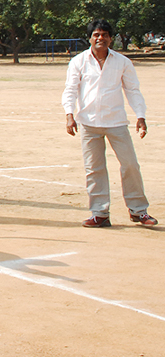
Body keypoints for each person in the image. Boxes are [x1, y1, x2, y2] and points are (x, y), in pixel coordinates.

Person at [62, 20, 157, 227]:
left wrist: (140, 116)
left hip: (116, 122)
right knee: (94, 168)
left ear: (110, 38)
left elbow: (132, 90)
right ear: (90, 38)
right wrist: (69, 114)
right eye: (96, 34)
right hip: (88, 123)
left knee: (130, 164)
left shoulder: (122, 62)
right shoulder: (79, 61)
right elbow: (70, 89)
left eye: (104, 34)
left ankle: (138, 211)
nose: (100, 38)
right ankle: (100, 213)